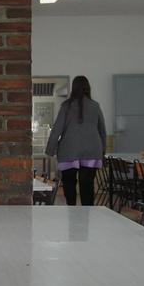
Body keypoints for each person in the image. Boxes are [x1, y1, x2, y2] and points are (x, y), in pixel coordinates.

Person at [45, 76, 106, 206]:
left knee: (69, 184)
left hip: (69, 151)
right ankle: (87, 214)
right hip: (91, 151)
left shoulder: (66, 106)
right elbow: (102, 131)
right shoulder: (95, 106)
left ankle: (72, 210)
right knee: (87, 186)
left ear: (73, 88)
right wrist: (102, 152)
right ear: (88, 88)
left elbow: (57, 130)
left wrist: (50, 150)